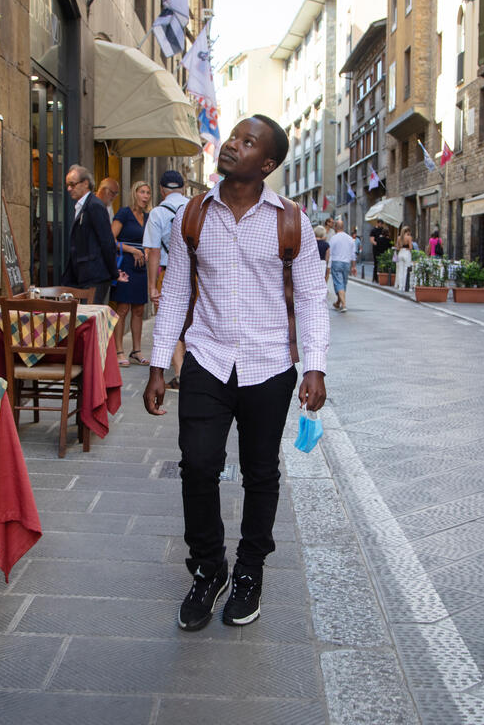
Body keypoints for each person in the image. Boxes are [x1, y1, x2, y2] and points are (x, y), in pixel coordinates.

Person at [143, 114, 328, 632]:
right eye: (233, 137)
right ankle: (208, 568)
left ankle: (249, 572)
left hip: (270, 365)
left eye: (247, 143)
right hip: (207, 359)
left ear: (266, 164)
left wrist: (314, 366)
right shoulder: (192, 215)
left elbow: (312, 297)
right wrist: (158, 365)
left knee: (260, 471)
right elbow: (175, 293)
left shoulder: (291, 221)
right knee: (198, 466)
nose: (231, 145)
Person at [144, 170, 190, 389]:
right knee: (191, 320)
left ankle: (180, 374)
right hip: (195, 273)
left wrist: (152, 286)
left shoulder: (157, 213)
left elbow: (153, 251)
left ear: (162, 190)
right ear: (183, 188)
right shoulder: (194, 207)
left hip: (168, 272)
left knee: (171, 319)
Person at [62, 165, 124, 303]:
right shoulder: (83, 205)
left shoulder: (94, 205)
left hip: (94, 276)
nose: (69, 189)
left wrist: (113, 272)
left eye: (72, 184)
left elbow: (107, 242)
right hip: (82, 275)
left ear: (85, 183)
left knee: (91, 313)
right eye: (67, 185)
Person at [111, 180, 152, 366]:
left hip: (141, 266)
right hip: (125, 265)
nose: (146, 196)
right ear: (134, 194)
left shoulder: (148, 217)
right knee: (123, 308)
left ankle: (136, 350)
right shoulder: (124, 213)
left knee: (139, 309)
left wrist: (146, 251)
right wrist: (132, 250)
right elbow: (110, 239)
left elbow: (150, 240)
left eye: (148, 193)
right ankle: (119, 351)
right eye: (142, 192)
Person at [328, 219, 355, 312]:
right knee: (343, 283)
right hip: (346, 263)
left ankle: (343, 305)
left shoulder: (333, 238)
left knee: (339, 283)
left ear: (335, 227)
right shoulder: (350, 238)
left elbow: (330, 252)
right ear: (343, 227)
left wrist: (328, 265)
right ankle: (338, 302)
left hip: (336, 262)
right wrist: (353, 266)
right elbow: (353, 254)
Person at [394, 225, 414, 291]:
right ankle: (405, 286)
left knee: (400, 270)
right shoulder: (409, 237)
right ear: (408, 231)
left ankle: (400, 286)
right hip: (406, 253)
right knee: (406, 270)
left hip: (400, 253)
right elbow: (410, 247)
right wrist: (408, 248)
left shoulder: (399, 238)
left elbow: (397, 247)